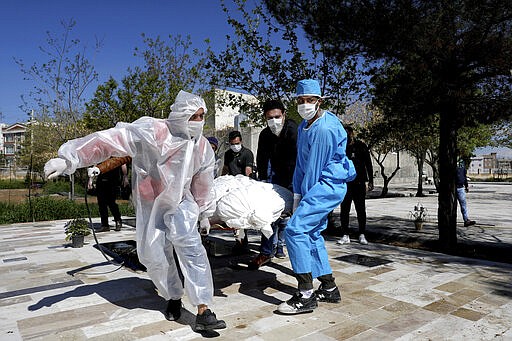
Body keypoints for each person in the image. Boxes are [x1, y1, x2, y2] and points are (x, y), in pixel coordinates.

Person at [44, 90, 226, 331]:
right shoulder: (153, 132)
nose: (199, 122)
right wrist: (70, 160)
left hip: (182, 202)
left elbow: (203, 182)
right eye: (195, 117)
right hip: (151, 204)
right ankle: (172, 296)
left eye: (202, 116)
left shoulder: (202, 147)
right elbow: (108, 140)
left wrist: (204, 212)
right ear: (181, 116)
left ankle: (204, 308)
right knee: (154, 254)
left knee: (191, 246)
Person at [277, 79, 355, 315]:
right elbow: (301, 164)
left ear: (319, 101)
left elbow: (314, 168)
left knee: (295, 231)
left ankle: (306, 294)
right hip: (315, 184)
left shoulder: (324, 128)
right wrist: (297, 195)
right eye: (301, 100)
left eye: (310, 100)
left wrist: (303, 199)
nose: (305, 104)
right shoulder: (305, 125)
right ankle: (329, 287)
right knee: (310, 233)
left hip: (326, 185)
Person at [248, 99, 298, 270]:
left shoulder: (294, 130)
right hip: (273, 180)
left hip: (293, 180)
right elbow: (262, 159)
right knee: (267, 216)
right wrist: (262, 181)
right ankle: (265, 252)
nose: (274, 121)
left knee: (295, 221)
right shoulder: (264, 134)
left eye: (277, 116)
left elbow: (298, 159)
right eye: (270, 118)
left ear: (284, 115)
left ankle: (299, 257)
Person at [337, 125, 374, 245]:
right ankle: (345, 234)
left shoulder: (361, 146)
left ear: (352, 133)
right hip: (346, 183)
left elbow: (368, 163)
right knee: (344, 209)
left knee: (360, 209)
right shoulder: (341, 147)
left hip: (359, 182)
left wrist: (370, 180)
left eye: (348, 133)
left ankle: (362, 234)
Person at [222, 130, 255, 254]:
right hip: (231, 187)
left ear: (241, 141)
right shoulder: (228, 154)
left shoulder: (247, 153)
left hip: (243, 187)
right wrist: (221, 180)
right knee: (232, 215)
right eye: (232, 143)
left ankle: (243, 242)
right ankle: (239, 242)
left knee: (242, 215)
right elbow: (225, 169)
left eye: (236, 143)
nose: (235, 146)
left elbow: (248, 171)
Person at [92, 160, 129, 232]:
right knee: (101, 203)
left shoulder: (115, 152)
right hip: (101, 179)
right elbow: (95, 164)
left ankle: (118, 220)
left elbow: (123, 163)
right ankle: (105, 225)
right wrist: (91, 179)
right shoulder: (101, 153)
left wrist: (125, 176)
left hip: (113, 180)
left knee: (111, 202)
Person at [456, 160, 476, 227]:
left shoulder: (462, 165)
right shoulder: (450, 164)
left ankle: (466, 220)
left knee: (463, 205)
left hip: (460, 188)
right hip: (452, 188)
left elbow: (464, 177)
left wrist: (466, 186)